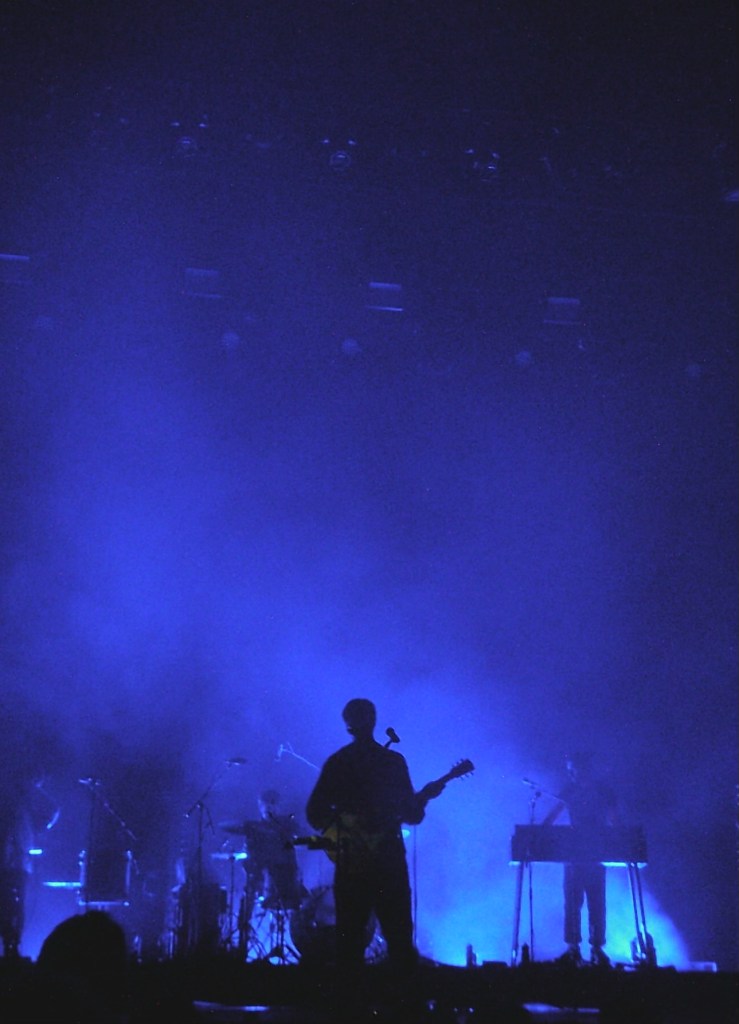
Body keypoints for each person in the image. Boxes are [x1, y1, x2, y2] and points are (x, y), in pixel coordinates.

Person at [305, 698, 445, 979]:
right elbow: (412, 815)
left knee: (349, 944)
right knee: (399, 941)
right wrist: (425, 798)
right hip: (388, 862)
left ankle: (350, 1001)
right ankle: (403, 1001)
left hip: (351, 864)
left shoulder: (338, 762)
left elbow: (314, 814)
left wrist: (345, 828)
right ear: (374, 721)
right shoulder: (392, 762)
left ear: (348, 726)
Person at [542, 750, 618, 967]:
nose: (571, 775)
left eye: (574, 770)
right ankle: (573, 949)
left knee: (596, 903)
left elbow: (614, 819)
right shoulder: (570, 790)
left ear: (585, 769)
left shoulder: (603, 791)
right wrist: (539, 832)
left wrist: (622, 840)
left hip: (595, 854)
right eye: (570, 771)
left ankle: (596, 949)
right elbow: (554, 814)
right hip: (575, 854)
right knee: (572, 903)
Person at [0, 765, 60, 958]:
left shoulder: (23, 797)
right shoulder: (19, 796)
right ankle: (11, 945)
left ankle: (12, 945)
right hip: (15, 859)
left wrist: (38, 830)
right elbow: (52, 809)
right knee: (13, 902)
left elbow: (52, 808)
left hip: (18, 859)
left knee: (14, 902)